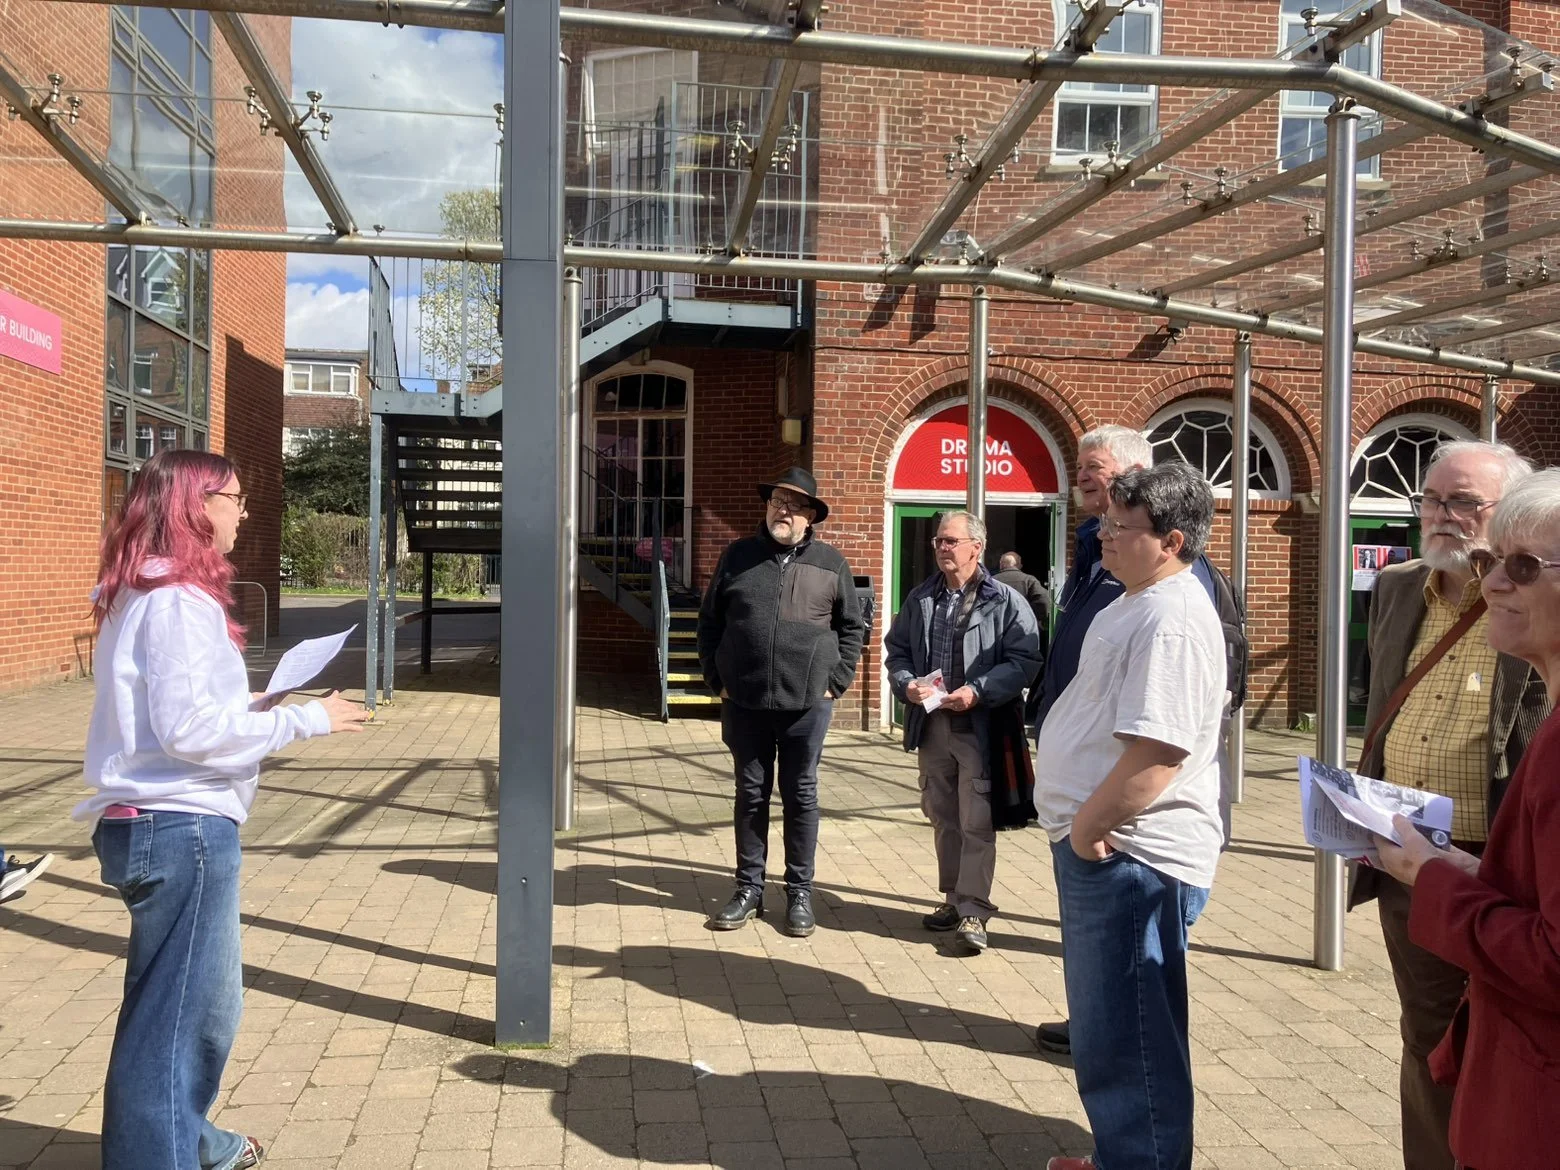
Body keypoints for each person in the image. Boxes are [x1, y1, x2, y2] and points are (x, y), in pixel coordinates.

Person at [77, 450, 371, 1170]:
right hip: (181, 828)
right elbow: (188, 734)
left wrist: (260, 704)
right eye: (234, 497)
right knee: (177, 1025)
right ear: (194, 506)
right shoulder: (177, 602)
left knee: (193, 1013)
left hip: (155, 822)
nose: (243, 511)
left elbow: (180, 715)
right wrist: (306, 722)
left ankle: (196, 1142)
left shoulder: (142, 593)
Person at [1350, 440, 1546, 1170]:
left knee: (1512, 1050)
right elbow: (1379, 705)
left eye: (1464, 502)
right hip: (1412, 867)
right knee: (1429, 1040)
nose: (1442, 516)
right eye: (1432, 499)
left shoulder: (1530, 599)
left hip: (1509, 873)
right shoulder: (1400, 586)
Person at [1035, 462, 1226, 1170]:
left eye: (1121, 525)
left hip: (1129, 856)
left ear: (1172, 539)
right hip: (1108, 851)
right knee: (1112, 1030)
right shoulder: (1137, 599)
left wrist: (1087, 831)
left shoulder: (1172, 619)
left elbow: (1157, 753)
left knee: (1131, 1037)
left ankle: (1140, 1160)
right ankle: (1126, 1155)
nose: (1103, 534)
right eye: (1106, 521)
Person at [698, 467, 866, 938]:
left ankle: (799, 892)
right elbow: (710, 623)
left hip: (807, 704)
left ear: (810, 517)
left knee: (800, 795)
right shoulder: (738, 557)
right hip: (744, 701)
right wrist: (718, 679)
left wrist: (836, 681)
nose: (782, 510)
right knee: (750, 795)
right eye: (776, 501)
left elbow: (851, 628)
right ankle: (749, 888)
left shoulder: (831, 564)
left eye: (793, 505)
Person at [884, 511, 1042, 954]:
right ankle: (953, 899)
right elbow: (896, 653)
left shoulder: (1006, 600)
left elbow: (1025, 661)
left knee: (976, 819)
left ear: (977, 546)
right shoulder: (920, 598)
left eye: (951, 541)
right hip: (932, 725)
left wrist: (979, 690)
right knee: (942, 815)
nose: (941, 548)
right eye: (938, 541)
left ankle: (975, 909)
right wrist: (906, 684)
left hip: (979, 727)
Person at [993, 551, 1051, 723]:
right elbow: (1045, 603)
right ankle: (1025, 712)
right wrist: (1036, 620)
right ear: (1019, 565)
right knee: (1024, 672)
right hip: (1023, 635)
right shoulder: (1029, 580)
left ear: (1002, 565)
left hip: (995, 637)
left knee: (998, 673)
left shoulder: (991, 582)